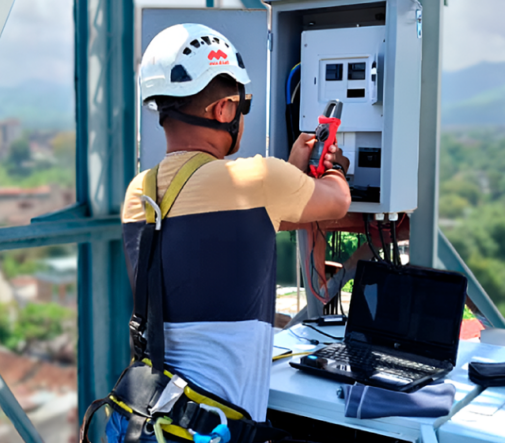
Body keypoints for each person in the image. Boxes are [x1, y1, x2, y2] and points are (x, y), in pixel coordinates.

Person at [107, 23, 351, 441]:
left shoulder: (139, 192)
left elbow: (247, 225)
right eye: (242, 105)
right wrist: (334, 168)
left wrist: (291, 175)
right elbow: (337, 201)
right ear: (223, 109)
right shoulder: (259, 180)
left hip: (154, 415)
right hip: (217, 428)